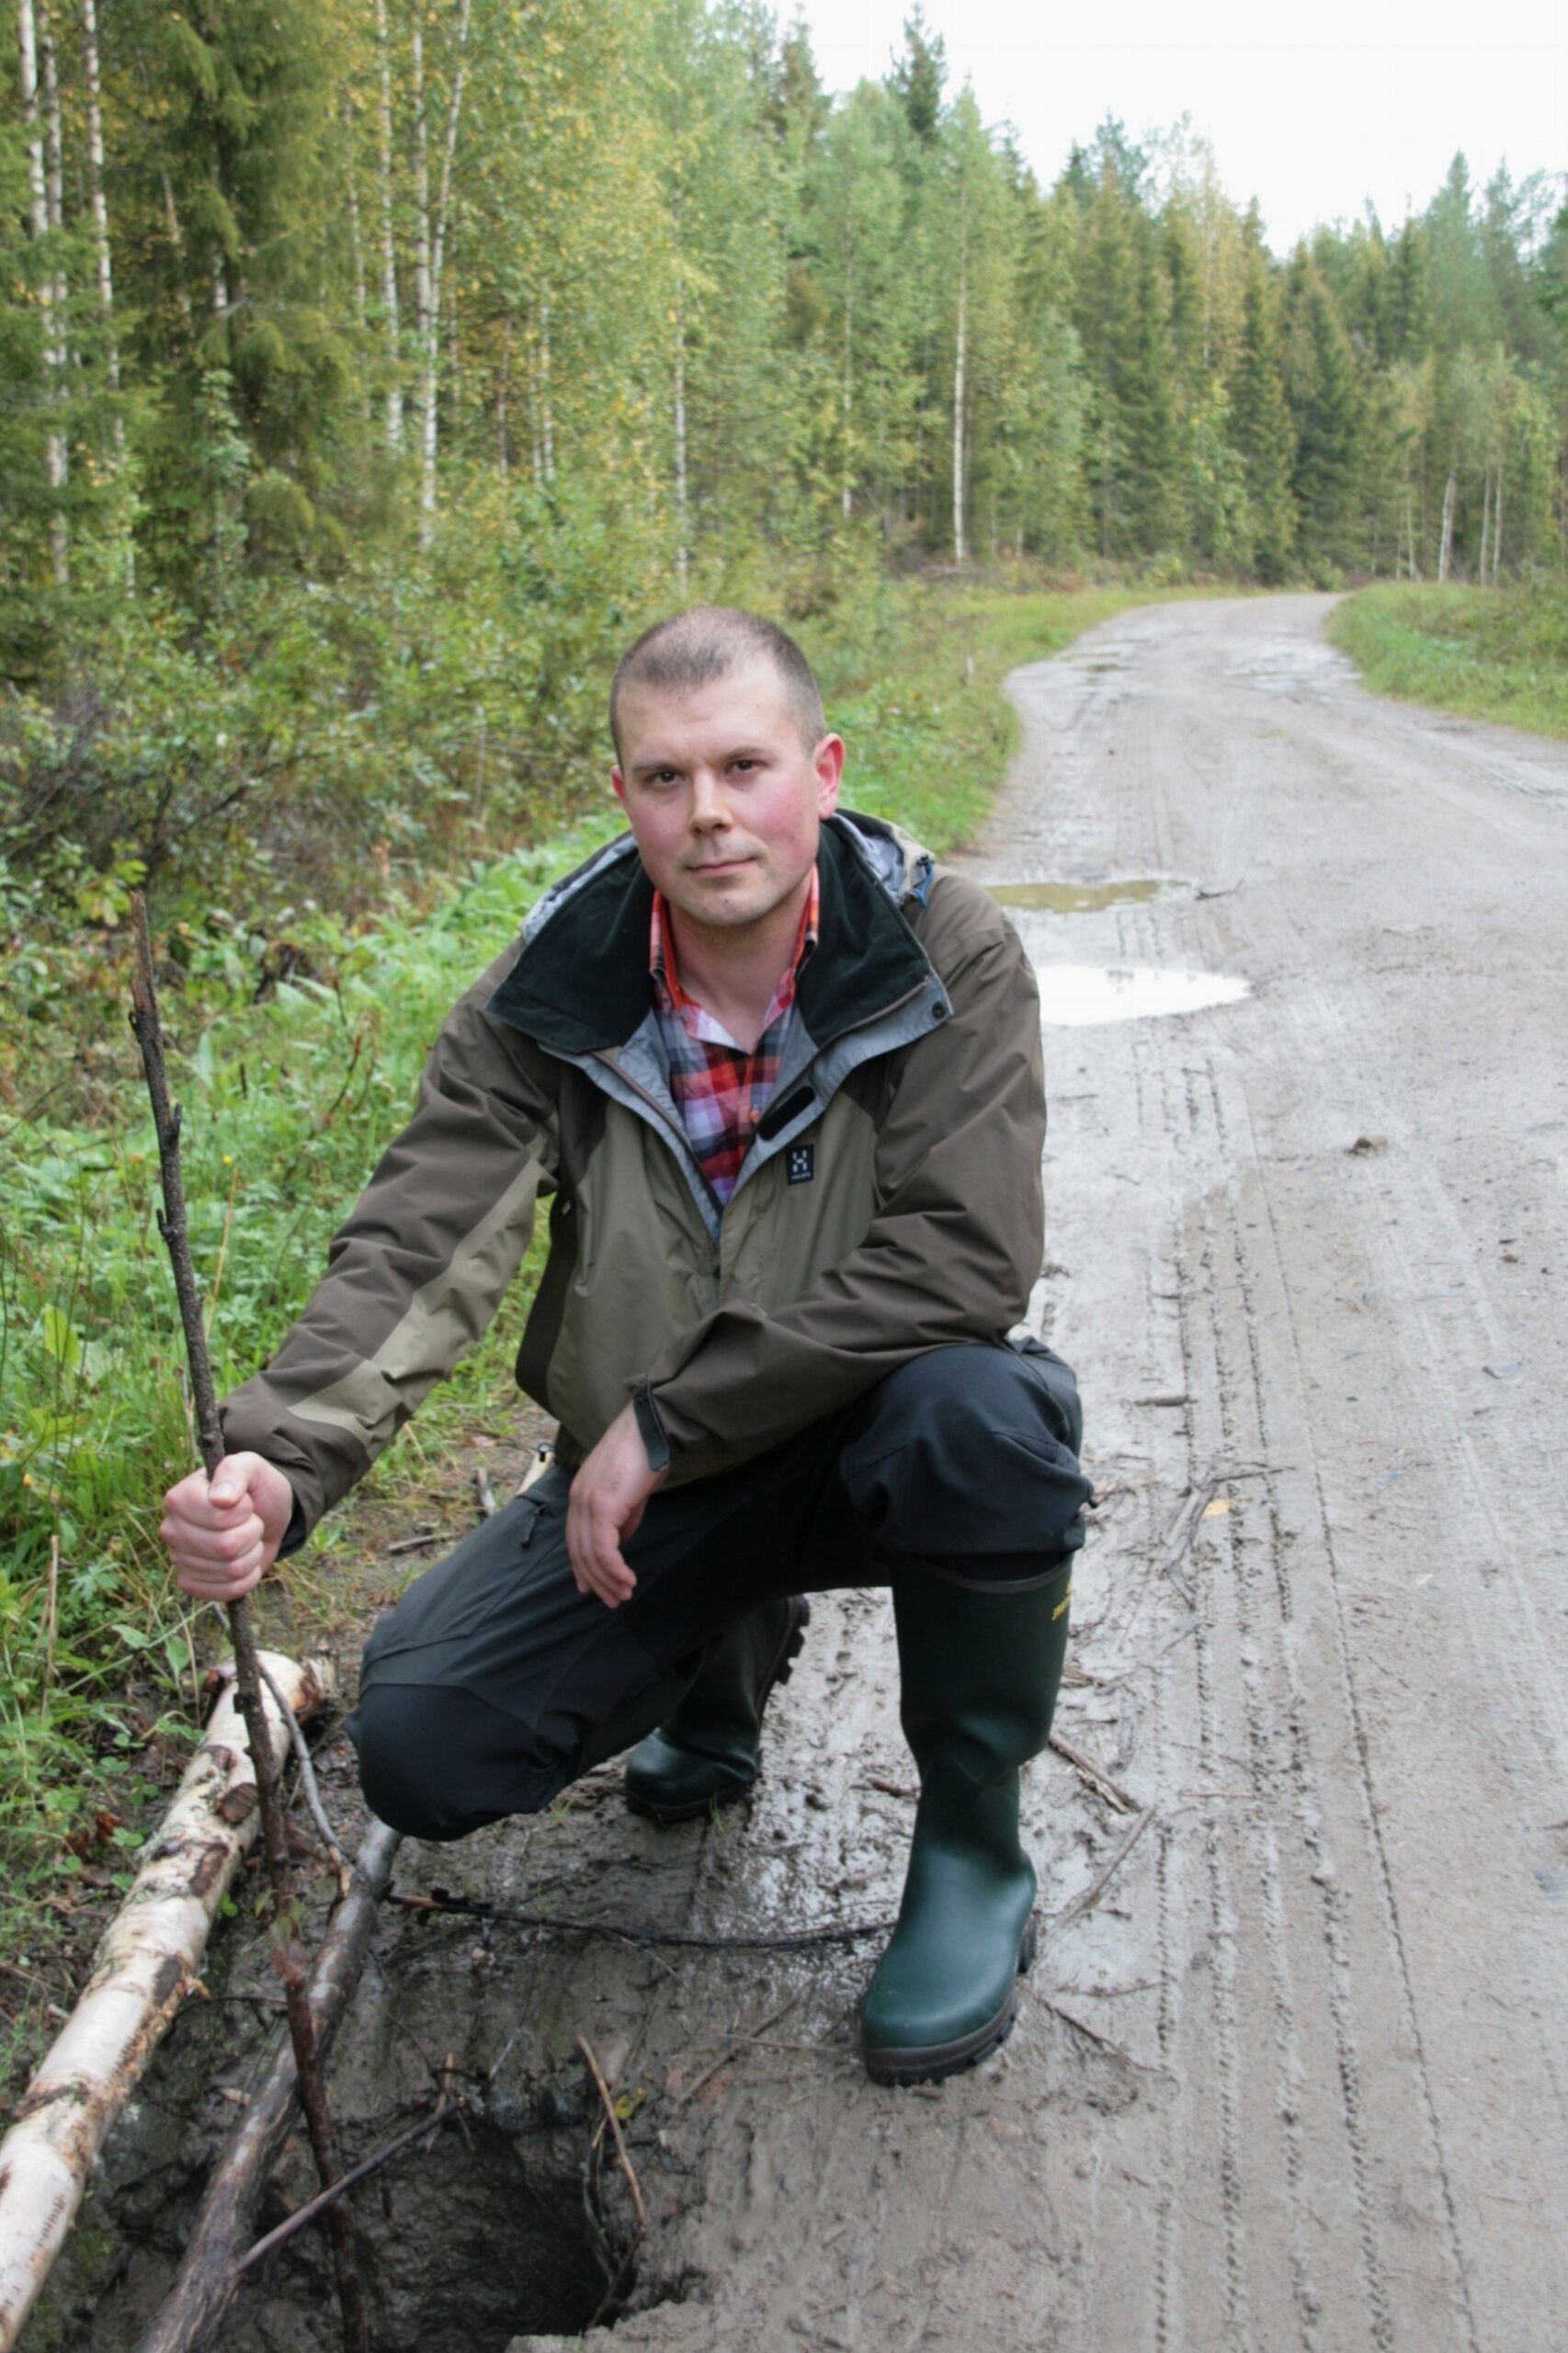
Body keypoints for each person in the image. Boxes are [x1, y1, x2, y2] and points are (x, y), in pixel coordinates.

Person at [160, 606, 1092, 2086]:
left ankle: (974, 1857)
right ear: (625, 798)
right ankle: (719, 1663)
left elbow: (967, 1257)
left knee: (983, 1419)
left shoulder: (938, 952)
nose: (709, 813)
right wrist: (279, 1460)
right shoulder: (557, 993)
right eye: (665, 778)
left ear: (823, 770)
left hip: (852, 1438)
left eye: (744, 766)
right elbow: (420, 1242)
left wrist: (666, 1419)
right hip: (654, 1491)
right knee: (422, 1744)